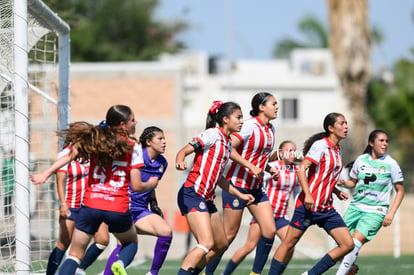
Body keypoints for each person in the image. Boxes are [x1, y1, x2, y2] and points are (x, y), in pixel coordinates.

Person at [30, 105, 148, 275]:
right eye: (132, 120)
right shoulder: (133, 146)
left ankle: (79, 269)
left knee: (75, 254)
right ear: (122, 124)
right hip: (116, 206)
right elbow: (137, 185)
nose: (135, 122)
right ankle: (120, 263)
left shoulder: (95, 141)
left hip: (91, 204)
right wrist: (150, 184)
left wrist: (46, 173)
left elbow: (69, 155)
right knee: (130, 243)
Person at [268, 112, 354, 275]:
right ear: (330, 128)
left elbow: (324, 175)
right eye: (341, 123)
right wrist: (307, 194)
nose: (346, 126)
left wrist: (335, 191)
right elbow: (302, 168)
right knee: (288, 244)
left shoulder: (337, 149)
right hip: (308, 206)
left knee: (347, 244)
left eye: (346, 123)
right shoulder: (321, 145)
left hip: (326, 208)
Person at [175, 101, 255, 275]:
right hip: (192, 193)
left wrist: (239, 195)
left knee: (221, 244)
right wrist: (180, 159)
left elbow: (219, 178)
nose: (242, 121)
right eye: (239, 117)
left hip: (206, 198)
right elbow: (184, 151)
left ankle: (192, 272)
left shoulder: (227, 144)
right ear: (225, 119)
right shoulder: (212, 134)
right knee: (206, 243)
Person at [205, 92, 279, 275]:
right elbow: (228, 149)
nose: (277, 107)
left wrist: (268, 168)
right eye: (273, 104)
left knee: (269, 231)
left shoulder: (271, 129)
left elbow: (258, 158)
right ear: (261, 107)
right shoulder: (249, 126)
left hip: (256, 188)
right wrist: (251, 166)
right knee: (227, 237)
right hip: (236, 185)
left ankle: (255, 274)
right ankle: (201, 271)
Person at [222, 141, 301, 275]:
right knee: (249, 246)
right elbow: (259, 184)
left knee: (290, 245)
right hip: (263, 214)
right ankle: (226, 273)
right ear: (281, 153)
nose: (292, 153)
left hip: (281, 217)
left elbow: (296, 193)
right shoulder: (272, 167)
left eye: (294, 150)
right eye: (289, 150)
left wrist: (300, 209)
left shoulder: (297, 171)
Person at [104, 126, 172, 275]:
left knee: (166, 231)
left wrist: (153, 203)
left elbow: (151, 185)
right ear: (148, 141)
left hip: (141, 210)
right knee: (124, 243)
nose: (164, 142)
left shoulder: (162, 163)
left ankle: (153, 273)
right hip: (124, 207)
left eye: (164, 138)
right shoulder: (135, 156)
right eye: (160, 139)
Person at [336, 129, 404, 275]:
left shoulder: (391, 164)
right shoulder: (361, 160)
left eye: (386, 141)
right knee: (340, 245)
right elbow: (353, 182)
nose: (385, 144)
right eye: (381, 140)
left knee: (353, 244)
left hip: (376, 211)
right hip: (355, 207)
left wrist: (391, 213)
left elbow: (400, 190)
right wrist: (343, 183)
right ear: (371, 143)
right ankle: (351, 268)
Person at [46, 140, 109, 275]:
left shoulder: (90, 154)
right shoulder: (65, 154)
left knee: (103, 240)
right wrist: (63, 203)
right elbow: (60, 180)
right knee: (63, 245)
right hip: (71, 206)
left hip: (89, 206)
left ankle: (80, 269)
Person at [2, 150, 14, 216]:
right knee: (7, 199)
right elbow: (3, 173)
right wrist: (2, 181)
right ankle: (7, 213)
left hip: (15, 184)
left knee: (16, 199)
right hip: (8, 184)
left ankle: (14, 214)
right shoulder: (6, 162)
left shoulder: (16, 162)